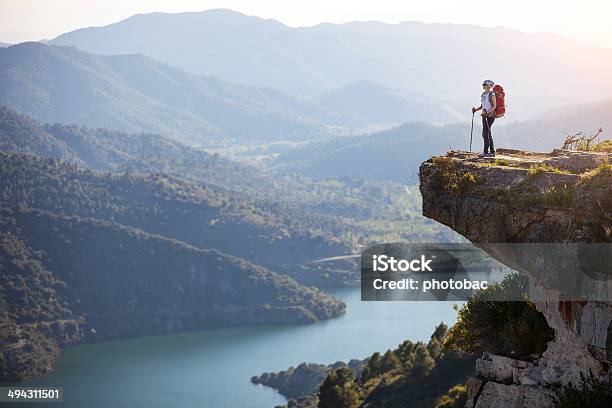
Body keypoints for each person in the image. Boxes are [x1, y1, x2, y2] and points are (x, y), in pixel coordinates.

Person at [472, 80, 497, 157]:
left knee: (485, 133)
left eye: (485, 84)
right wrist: (476, 110)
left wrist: (487, 112)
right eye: (483, 84)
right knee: (486, 133)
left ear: (489, 85)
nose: (483, 85)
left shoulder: (491, 94)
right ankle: (491, 152)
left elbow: (494, 106)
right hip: (484, 115)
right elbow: (483, 105)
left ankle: (487, 151)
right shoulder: (483, 94)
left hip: (490, 116)